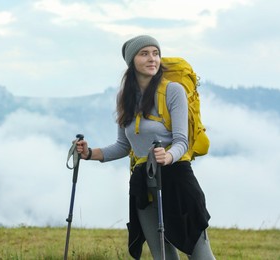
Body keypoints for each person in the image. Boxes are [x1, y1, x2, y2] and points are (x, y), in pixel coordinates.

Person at [76, 35, 215, 259]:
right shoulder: (125, 97)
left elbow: (182, 141)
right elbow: (123, 146)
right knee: (162, 256)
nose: (152, 59)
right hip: (143, 182)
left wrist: (167, 157)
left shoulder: (173, 90)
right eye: (145, 54)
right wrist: (89, 153)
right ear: (132, 61)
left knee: (200, 255)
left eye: (155, 53)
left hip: (177, 178)